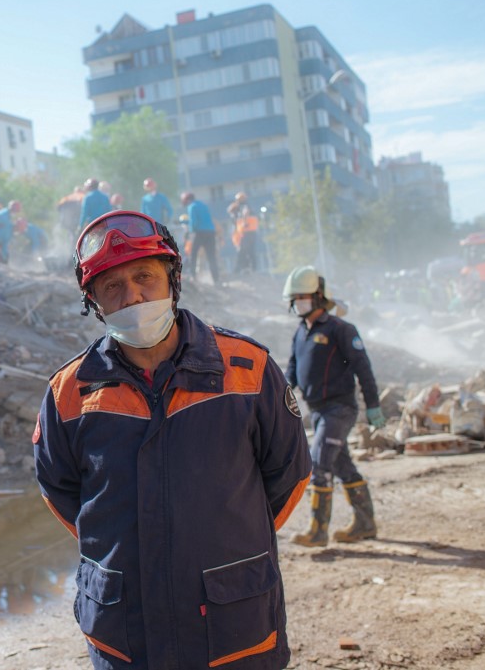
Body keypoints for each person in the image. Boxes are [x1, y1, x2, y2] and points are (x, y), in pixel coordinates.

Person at [34, 209, 311, 669]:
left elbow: (289, 474)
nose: (133, 296)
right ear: (94, 302)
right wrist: (128, 546)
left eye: (144, 276)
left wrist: (222, 540)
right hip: (125, 634)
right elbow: (60, 492)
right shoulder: (68, 393)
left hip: (232, 627)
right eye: (113, 287)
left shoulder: (248, 369)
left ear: (173, 278)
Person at [284, 265, 384, 548]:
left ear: (318, 296)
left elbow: (363, 369)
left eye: (302, 296)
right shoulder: (300, 333)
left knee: (319, 462)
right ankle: (365, 524)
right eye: (295, 298)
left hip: (339, 408)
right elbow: (292, 370)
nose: (297, 302)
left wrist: (373, 406)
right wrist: (281, 394)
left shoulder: (340, 329)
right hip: (317, 410)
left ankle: (318, 530)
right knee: (343, 465)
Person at [180, 191, 220, 285]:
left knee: (193, 254)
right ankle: (216, 279)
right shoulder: (203, 205)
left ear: (186, 200)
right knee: (211, 256)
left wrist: (190, 232)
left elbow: (194, 222)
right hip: (210, 232)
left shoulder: (192, 206)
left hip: (199, 233)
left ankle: (193, 276)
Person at [230, 192, 260, 273]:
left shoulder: (244, 207)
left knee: (243, 250)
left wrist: (244, 223)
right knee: (249, 250)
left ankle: (239, 269)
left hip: (247, 231)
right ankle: (250, 268)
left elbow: (245, 214)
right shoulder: (246, 207)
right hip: (250, 231)